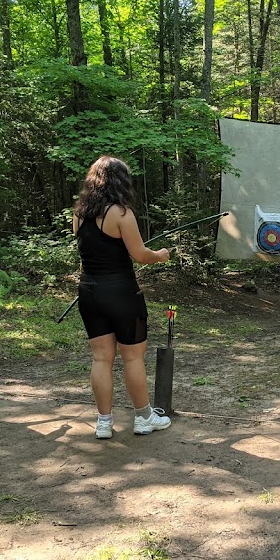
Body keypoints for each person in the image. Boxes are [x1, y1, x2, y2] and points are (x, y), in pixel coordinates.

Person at [73, 156, 172, 439]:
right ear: (121, 181)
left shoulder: (78, 214)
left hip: (90, 292)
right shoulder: (120, 213)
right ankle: (143, 418)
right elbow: (140, 255)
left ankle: (104, 422)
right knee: (132, 358)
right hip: (122, 292)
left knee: (101, 358)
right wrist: (160, 255)